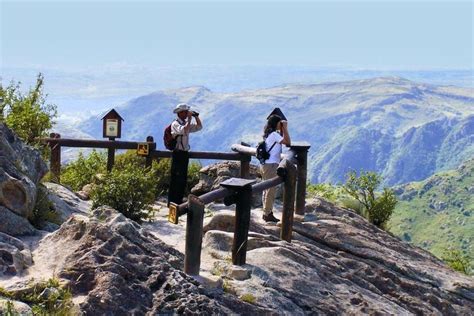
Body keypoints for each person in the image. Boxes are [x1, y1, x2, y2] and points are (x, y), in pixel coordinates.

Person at [167, 103, 202, 206]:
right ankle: (172, 202)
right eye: (186, 112)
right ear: (180, 113)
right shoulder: (176, 124)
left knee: (182, 178)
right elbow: (185, 130)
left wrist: (196, 117)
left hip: (184, 154)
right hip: (177, 153)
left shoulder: (184, 123)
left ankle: (179, 201)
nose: (187, 114)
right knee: (175, 179)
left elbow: (199, 127)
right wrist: (190, 119)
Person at [261, 114, 291, 222]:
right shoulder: (274, 134)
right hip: (272, 165)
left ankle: (266, 212)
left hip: (266, 164)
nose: (281, 125)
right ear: (276, 123)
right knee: (270, 189)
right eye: (280, 123)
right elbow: (288, 142)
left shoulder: (269, 133)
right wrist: (285, 128)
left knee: (266, 188)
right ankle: (267, 213)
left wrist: (282, 129)